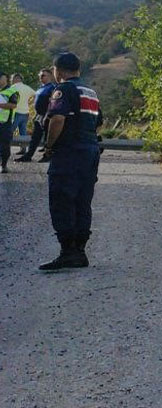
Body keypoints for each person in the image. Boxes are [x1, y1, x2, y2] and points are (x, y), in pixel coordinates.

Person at [38, 53, 103, 272]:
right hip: (90, 151)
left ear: (58, 70)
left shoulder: (63, 90)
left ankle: (67, 252)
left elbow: (57, 118)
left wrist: (48, 146)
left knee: (62, 200)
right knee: (82, 201)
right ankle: (80, 252)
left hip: (69, 152)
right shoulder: (90, 92)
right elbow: (98, 121)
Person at [16, 68, 54, 163]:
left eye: (43, 75)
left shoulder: (52, 88)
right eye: (39, 76)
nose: (40, 77)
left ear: (50, 76)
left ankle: (48, 156)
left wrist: (47, 115)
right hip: (38, 115)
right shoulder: (41, 88)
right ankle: (28, 155)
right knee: (35, 137)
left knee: (47, 137)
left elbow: (52, 102)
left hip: (47, 115)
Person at [0, 74, 18, 173]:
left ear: (5, 79)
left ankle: (4, 165)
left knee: (4, 145)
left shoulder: (12, 91)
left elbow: (13, 105)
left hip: (5, 123)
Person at [10, 72, 35, 139]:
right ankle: (23, 148)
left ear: (16, 78)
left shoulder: (13, 87)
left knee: (9, 131)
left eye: (12, 79)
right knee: (23, 132)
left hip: (16, 112)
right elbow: (36, 95)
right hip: (26, 112)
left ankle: (5, 148)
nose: (11, 81)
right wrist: (30, 102)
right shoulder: (27, 88)